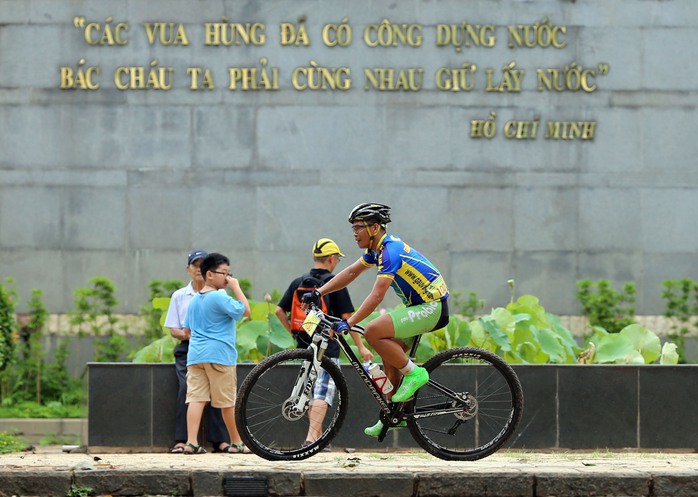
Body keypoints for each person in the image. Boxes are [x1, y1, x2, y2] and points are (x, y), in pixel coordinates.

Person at [303, 203, 449, 437]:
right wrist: (320, 292)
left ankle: (415, 373)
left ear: (375, 227)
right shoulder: (376, 251)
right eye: (353, 227)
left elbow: (377, 295)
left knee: (372, 331)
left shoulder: (391, 251)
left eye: (358, 227)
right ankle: (394, 414)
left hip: (432, 307)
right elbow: (351, 272)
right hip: (418, 306)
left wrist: (349, 323)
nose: (354, 232)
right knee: (390, 358)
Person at [275, 238, 373, 448]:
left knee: (309, 390)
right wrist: (362, 347)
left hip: (304, 347)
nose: (336, 262)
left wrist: (294, 333)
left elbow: (279, 311)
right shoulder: (333, 283)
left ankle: (318, 440)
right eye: (337, 258)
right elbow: (347, 316)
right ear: (331, 258)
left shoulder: (298, 282)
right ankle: (311, 440)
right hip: (328, 347)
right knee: (322, 392)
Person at [182, 252, 251, 454]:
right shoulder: (219, 296)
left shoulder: (195, 300)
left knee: (196, 399)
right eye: (224, 273)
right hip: (219, 355)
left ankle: (191, 442)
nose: (228, 278)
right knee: (227, 402)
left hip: (195, 356)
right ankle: (237, 442)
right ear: (209, 275)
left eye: (229, 273)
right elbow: (245, 311)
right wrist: (236, 287)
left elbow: (187, 330)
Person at [164, 250, 231, 454]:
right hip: (189, 349)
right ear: (189, 269)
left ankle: (220, 441)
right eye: (195, 264)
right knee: (188, 389)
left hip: (215, 348)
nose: (198, 269)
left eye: (202, 265)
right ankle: (183, 440)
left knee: (217, 391)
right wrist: (188, 335)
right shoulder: (179, 296)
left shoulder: (220, 294)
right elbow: (174, 328)